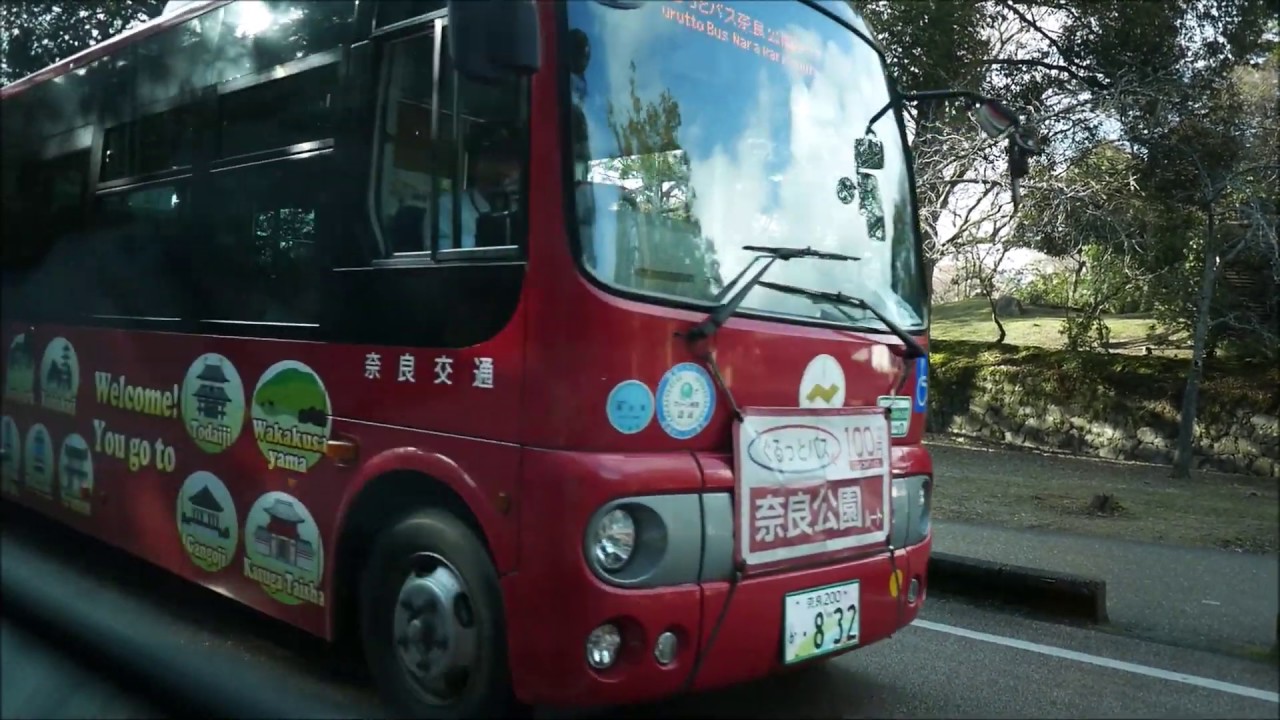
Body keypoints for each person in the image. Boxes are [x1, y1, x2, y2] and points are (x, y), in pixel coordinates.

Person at [433, 129, 521, 250]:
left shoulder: (523, 208)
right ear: (474, 165)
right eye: (494, 157)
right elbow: (445, 258)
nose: (503, 167)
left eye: (509, 159)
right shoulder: (449, 206)